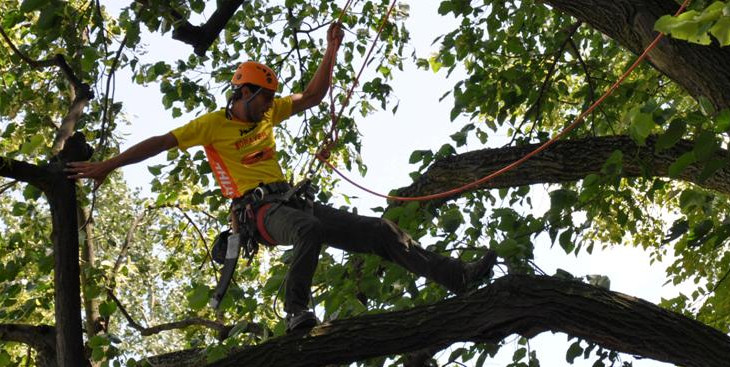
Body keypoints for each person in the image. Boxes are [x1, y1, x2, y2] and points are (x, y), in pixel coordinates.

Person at [66, 23, 496, 333]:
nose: (270, 105)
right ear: (243, 92)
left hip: (291, 201)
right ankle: (296, 313)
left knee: (381, 230)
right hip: (259, 212)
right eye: (264, 97)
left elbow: (312, 96)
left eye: (272, 98)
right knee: (309, 230)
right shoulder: (212, 125)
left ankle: (457, 277)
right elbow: (160, 141)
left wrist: (332, 48)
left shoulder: (269, 110)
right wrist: (107, 165)